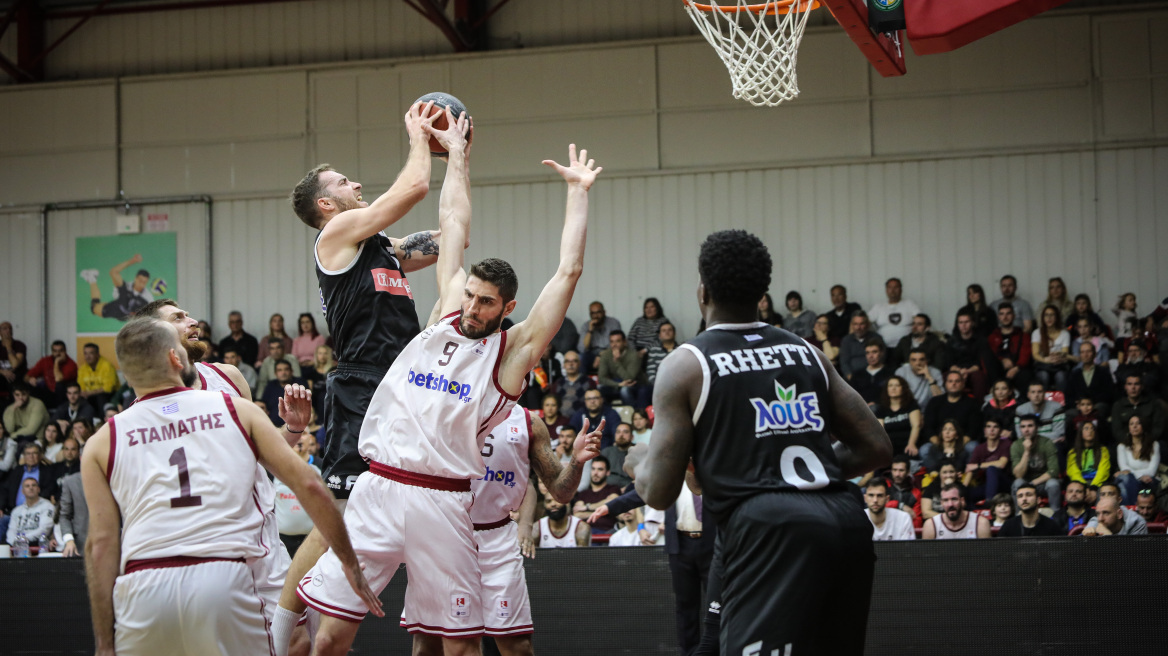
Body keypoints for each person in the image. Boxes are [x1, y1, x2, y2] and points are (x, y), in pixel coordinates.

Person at [297, 137, 601, 656]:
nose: (472, 307)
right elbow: (453, 222)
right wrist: (457, 158)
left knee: (456, 648)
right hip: (379, 486)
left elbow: (567, 273)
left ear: (506, 308)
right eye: (468, 295)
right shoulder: (443, 319)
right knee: (326, 639)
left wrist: (578, 193)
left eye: (485, 302)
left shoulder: (511, 354)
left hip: (441, 499)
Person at [636, 229, 892, 655]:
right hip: (847, 521)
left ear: (703, 291)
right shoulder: (806, 352)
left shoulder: (687, 364)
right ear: (763, 292)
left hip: (769, 528)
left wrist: (636, 460)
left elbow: (659, 491)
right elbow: (876, 447)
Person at [273, 103, 457, 656]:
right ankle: (283, 622)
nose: (356, 183)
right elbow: (414, 189)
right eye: (343, 181)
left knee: (406, 500)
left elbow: (450, 237)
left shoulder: (382, 247)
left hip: (403, 384)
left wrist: (461, 161)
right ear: (326, 204)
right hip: (361, 383)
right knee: (346, 505)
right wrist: (420, 138)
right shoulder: (336, 235)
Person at [80, 317, 378, 656]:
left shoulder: (102, 441)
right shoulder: (232, 408)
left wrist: (104, 643)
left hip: (142, 585)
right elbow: (309, 484)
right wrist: (349, 562)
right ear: (178, 360)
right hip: (221, 575)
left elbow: (100, 546)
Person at [134, 298, 316, 651]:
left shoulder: (227, 376)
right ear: (155, 335)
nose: (192, 321)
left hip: (262, 540)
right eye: (178, 318)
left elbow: (261, 452)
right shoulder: (146, 406)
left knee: (297, 640)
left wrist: (292, 429)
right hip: (205, 546)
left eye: (188, 314)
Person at [405, 405, 601, 654]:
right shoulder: (444, 407)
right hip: (445, 536)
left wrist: (576, 461)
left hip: (497, 539)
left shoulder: (529, 422)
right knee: (428, 644)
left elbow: (561, 492)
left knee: (517, 646)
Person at [79, 253, 154, 321]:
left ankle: (92, 278)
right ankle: (92, 278)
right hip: (117, 308)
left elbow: (151, 315)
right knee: (94, 307)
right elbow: (113, 272)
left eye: (144, 282)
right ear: (136, 278)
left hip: (128, 316)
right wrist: (132, 261)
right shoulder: (126, 287)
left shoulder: (147, 298)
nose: (141, 284)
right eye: (140, 281)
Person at [948, 310, 999, 400]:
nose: (963, 325)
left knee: (979, 378)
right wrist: (959, 371)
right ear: (957, 324)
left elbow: (981, 362)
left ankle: (979, 406)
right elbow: (948, 362)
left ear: (972, 323)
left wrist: (967, 371)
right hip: (956, 370)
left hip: (973, 370)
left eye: (966, 322)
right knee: (947, 377)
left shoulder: (981, 340)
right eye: (961, 322)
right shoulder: (951, 341)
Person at [1010, 416, 1061, 506]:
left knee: (1053, 484)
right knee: (1017, 483)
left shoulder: (1047, 443)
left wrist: (1032, 483)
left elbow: (1053, 471)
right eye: (1023, 427)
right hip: (1025, 483)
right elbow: (1018, 475)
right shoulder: (1016, 445)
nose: (1026, 430)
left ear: (1037, 427)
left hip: (1043, 483)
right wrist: (1026, 451)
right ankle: (1019, 515)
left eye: (1030, 426)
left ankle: (1055, 514)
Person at [597, 330, 649, 408]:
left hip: (636, 384)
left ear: (624, 342)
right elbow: (601, 378)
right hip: (617, 383)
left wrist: (617, 361)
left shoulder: (634, 355)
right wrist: (618, 384)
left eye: (617, 341)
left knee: (625, 390)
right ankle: (606, 415)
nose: (614, 345)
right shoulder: (606, 355)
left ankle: (632, 416)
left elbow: (629, 378)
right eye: (612, 342)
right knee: (599, 388)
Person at [964, 417, 1011, 504]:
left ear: (1000, 431)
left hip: (1004, 484)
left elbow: (1002, 464)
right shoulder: (979, 448)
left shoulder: (1006, 443)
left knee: (991, 469)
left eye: (995, 427)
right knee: (967, 494)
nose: (992, 430)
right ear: (985, 431)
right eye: (989, 427)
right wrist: (962, 491)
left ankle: (990, 504)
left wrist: (978, 466)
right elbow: (969, 469)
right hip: (987, 486)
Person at [987, 303, 1033, 392]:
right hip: (999, 369)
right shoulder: (992, 336)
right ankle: (993, 395)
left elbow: (1025, 355)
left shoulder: (1023, 335)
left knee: (1026, 375)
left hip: (1018, 368)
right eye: (1002, 314)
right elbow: (990, 355)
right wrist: (1001, 360)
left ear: (1014, 316)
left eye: (1008, 313)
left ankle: (1022, 402)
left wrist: (1016, 368)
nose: (1005, 317)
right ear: (998, 317)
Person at [1116, 415, 1160, 505]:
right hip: (1131, 480)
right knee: (1125, 482)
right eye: (1131, 424)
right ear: (1129, 428)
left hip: (1149, 482)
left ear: (1144, 426)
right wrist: (1140, 476)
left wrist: (1132, 474)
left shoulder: (1154, 445)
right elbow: (1124, 468)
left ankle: (1130, 511)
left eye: (1138, 423)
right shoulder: (1122, 447)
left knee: (1123, 484)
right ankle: (1134, 508)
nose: (1134, 426)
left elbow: (1152, 471)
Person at [1111, 374, 1165, 447]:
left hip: (1149, 443)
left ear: (1142, 387)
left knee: (1162, 446)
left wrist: (1145, 441)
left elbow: (1158, 427)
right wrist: (1132, 442)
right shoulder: (1118, 406)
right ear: (1125, 387)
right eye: (1129, 384)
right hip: (1126, 443)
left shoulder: (1153, 404)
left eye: (1136, 384)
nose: (1133, 387)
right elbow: (1117, 430)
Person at [921, 483, 991, 539]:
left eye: (954, 499)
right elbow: (927, 556)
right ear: (941, 503)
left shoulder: (980, 523)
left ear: (962, 501)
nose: (950, 504)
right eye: (946, 500)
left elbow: (986, 556)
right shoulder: (931, 525)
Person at [573, 456, 622, 533]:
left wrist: (586, 507)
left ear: (608, 472)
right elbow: (577, 514)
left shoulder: (613, 489)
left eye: (600, 469)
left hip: (607, 533)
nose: (595, 473)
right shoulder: (583, 494)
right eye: (593, 469)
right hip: (586, 533)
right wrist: (602, 512)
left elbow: (612, 502)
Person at [1066, 341, 1115, 416]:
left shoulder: (1103, 371)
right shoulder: (1074, 374)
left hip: (1097, 406)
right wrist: (1080, 405)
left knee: (1100, 408)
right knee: (1069, 414)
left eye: (1088, 351)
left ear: (1094, 354)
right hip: (1079, 408)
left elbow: (1109, 392)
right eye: (1082, 352)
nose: (1085, 355)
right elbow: (1069, 395)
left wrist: (1091, 404)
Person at [868, 277, 922, 346]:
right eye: (890, 288)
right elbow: (863, 322)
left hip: (906, 346)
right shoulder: (878, 307)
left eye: (896, 287)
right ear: (886, 290)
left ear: (901, 290)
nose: (892, 290)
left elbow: (921, 321)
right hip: (884, 347)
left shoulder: (910, 304)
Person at [997, 483, 1063, 537]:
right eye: (1020, 496)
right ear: (1017, 502)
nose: (1024, 499)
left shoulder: (1051, 526)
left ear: (1038, 500)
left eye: (1028, 495)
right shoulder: (1008, 526)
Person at [1031, 305, 1072, 391]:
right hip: (1042, 365)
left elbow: (1065, 354)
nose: (1049, 318)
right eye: (1046, 315)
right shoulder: (1037, 332)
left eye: (1052, 315)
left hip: (1059, 365)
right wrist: (1046, 360)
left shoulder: (1065, 334)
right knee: (1043, 376)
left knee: (1061, 376)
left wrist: (1058, 358)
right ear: (1043, 318)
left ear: (1056, 317)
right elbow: (1035, 354)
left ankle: (1063, 402)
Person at [5, 477, 55, 547]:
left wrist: (22, 540)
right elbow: (11, 531)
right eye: (27, 486)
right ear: (23, 491)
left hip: (37, 544)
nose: (31, 488)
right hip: (17, 546)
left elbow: (44, 530)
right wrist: (13, 542)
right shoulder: (16, 511)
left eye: (34, 485)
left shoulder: (48, 506)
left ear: (38, 489)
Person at [24, 340, 77, 405]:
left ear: (65, 351)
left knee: (59, 385)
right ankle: (35, 408)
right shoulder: (45, 361)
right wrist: (30, 379)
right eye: (55, 351)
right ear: (52, 352)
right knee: (30, 385)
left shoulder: (71, 364)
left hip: (65, 395)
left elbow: (58, 379)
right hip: (49, 393)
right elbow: (26, 376)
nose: (58, 354)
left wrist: (56, 362)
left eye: (60, 351)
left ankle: (60, 411)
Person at [578, 302, 622, 373]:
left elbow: (617, 344)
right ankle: (583, 383)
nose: (596, 316)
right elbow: (582, 349)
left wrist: (601, 356)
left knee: (617, 355)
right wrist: (590, 331)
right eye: (593, 313)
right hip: (592, 354)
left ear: (604, 312)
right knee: (580, 358)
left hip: (610, 353)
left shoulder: (613, 323)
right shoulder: (586, 326)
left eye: (598, 312)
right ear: (590, 314)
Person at [1066, 421, 1110, 490]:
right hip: (1079, 484)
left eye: (1092, 429)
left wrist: (1094, 486)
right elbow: (1073, 472)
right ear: (1081, 432)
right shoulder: (1073, 452)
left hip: (1098, 483)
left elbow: (1103, 471)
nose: (1090, 431)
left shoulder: (1103, 450)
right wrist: (1083, 486)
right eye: (1086, 429)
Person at [839, 311, 883, 380]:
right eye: (855, 324)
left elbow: (881, 359)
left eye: (861, 324)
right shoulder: (846, 340)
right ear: (852, 325)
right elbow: (844, 363)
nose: (858, 327)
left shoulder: (876, 338)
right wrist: (851, 379)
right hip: (852, 378)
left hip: (872, 376)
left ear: (867, 325)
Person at [77, 343, 118, 414]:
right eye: (85, 354)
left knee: (101, 397)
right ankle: (84, 421)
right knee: (79, 398)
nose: (88, 357)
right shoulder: (82, 369)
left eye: (91, 353)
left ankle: (103, 421)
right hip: (91, 396)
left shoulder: (107, 366)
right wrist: (85, 393)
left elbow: (108, 388)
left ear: (97, 354)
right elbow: (81, 387)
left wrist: (89, 393)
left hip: (108, 395)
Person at [850, 338, 894, 405]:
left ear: (881, 353)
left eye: (874, 352)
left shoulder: (890, 374)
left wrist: (876, 403)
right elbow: (852, 396)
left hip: (883, 410)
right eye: (867, 353)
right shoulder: (857, 374)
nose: (870, 356)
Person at [552, 349, 595, 414]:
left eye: (574, 361)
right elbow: (551, 404)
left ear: (579, 363)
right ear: (563, 365)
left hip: (582, 421)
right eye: (567, 361)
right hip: (562, 421)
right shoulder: (557, 384)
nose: (571, 364)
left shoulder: (589, 382)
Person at [1083, 496, 1148, 536]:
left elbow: (1136, 555)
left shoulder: (1137, 523)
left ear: (1119, 514)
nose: (1100, 519)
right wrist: (1088, 531)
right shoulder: (1096, 522)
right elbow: (1094, 521)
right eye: (1098, 513)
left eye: (1106, 513)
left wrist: (1109, 538)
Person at [59, 469, 88, 556]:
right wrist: (69, 540)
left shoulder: (111, 478)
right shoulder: (70, 481)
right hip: (80, 544)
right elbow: (64, 516)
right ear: (81, 458)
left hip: (110, 544)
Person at [645, 322, 680, 386]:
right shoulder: (654, 350)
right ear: (660, 335)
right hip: (657, 385)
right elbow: (651, 372)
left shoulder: (681, 350)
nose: (667, 332)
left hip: (678, 386)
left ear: (674, 334)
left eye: (669, 330)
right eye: (664, 331)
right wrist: (658, 385)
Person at [601, 423, 636, 489]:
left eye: (625, 432)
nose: (621, 435)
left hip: (631, 490)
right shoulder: (606, 452)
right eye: (618, 432)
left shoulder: (638, 452)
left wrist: (628, 488)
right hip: (607, 490)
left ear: (632, 437)